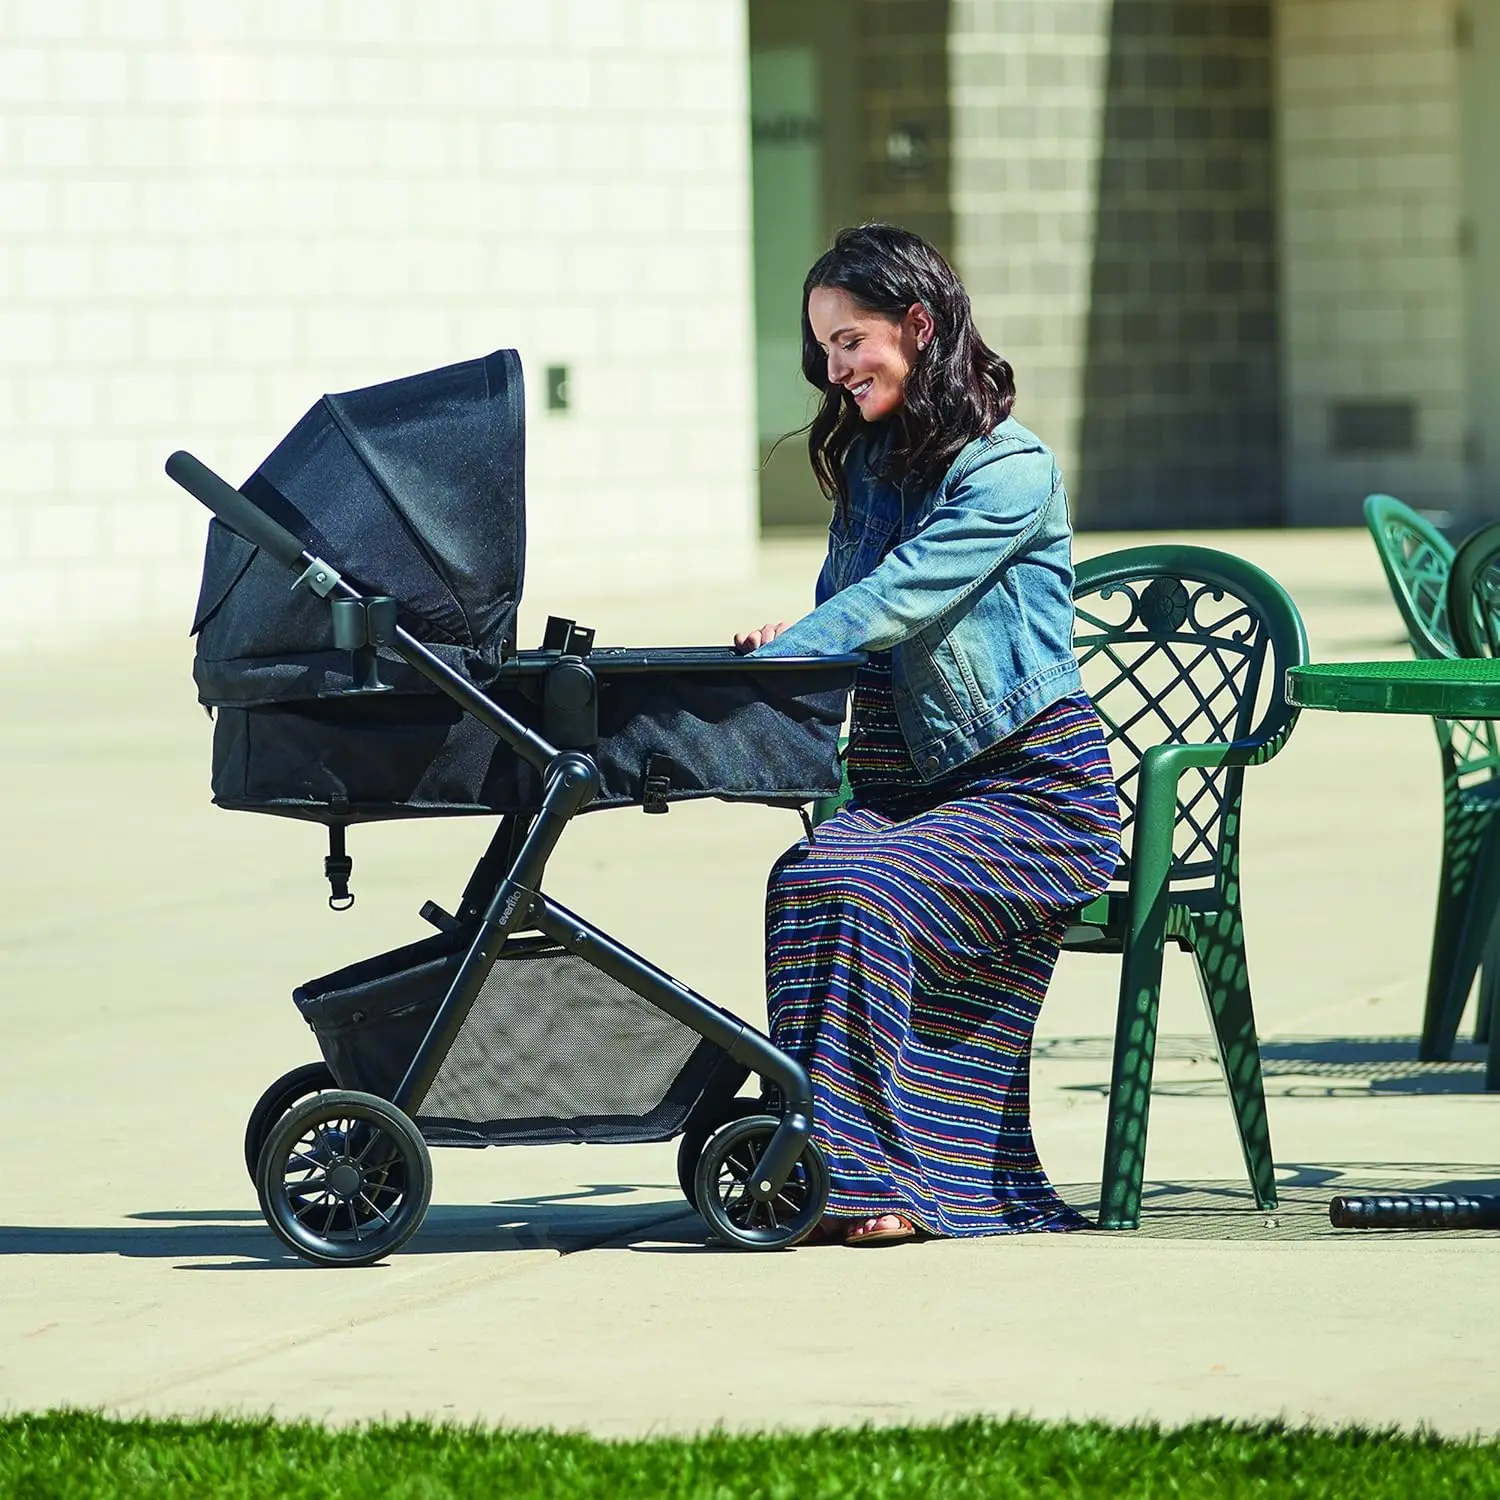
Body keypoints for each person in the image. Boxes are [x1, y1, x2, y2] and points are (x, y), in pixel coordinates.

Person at [736, 224, 1121, 1247]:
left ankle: (882, 1185)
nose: (836, 368)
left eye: (852, 339)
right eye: (823, 350)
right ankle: (833, 1163)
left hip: (1034, 797)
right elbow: (845, 616)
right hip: (904, 792)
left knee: (868, 884)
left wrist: (802, 647)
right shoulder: (868, 467)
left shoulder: (1010, 469)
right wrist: (795, 643)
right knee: (812, 871)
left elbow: (903, 597)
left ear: (919, 324)